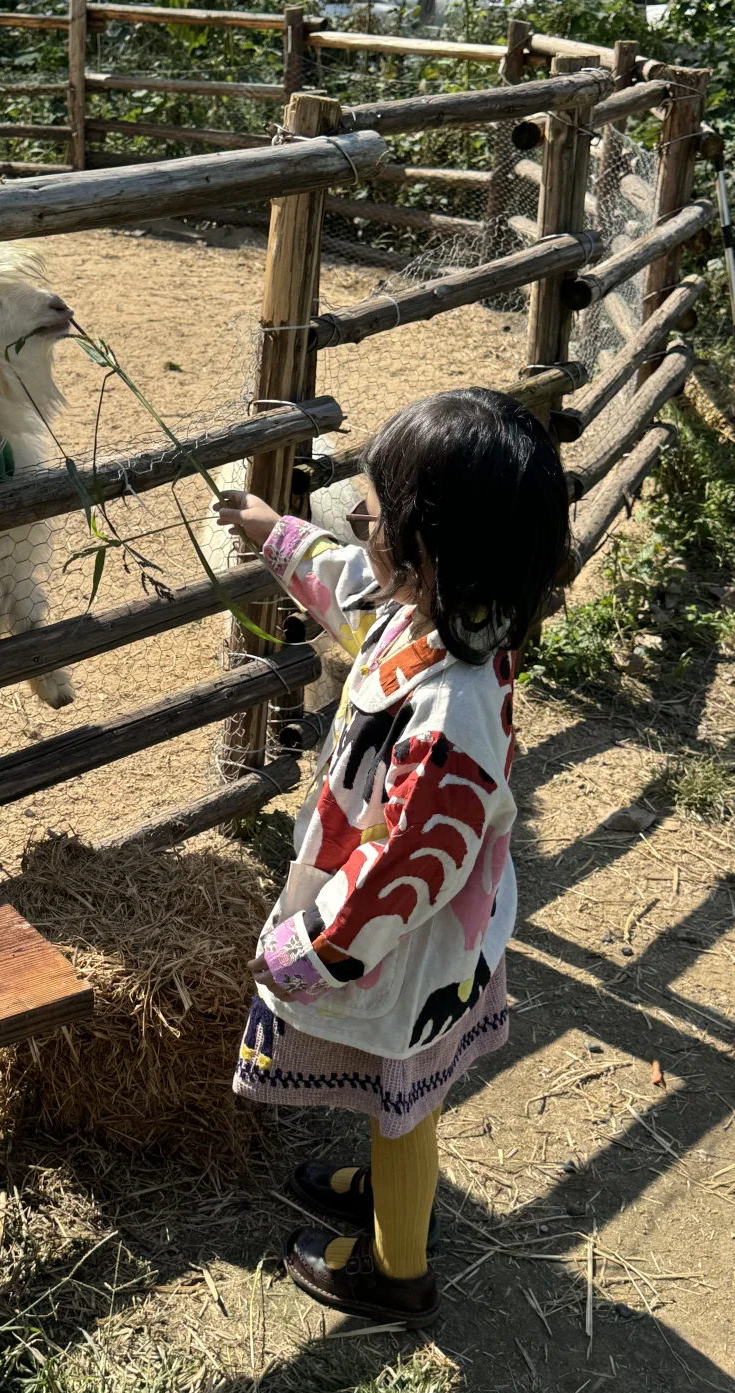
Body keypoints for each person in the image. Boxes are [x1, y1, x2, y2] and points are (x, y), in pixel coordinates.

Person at [214, 387, 570, 1327]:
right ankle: (387, 1191)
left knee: (403, 1095)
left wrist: (313, 948)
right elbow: (345, 588)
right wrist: (272, 532)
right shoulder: (436, 613)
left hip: (404, 943)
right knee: (400, 1087)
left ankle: (395, 1270)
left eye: (372, 513)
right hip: (406, 935)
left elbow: (410, 860)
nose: (358, 523)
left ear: (426, 545)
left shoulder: (452, 707)